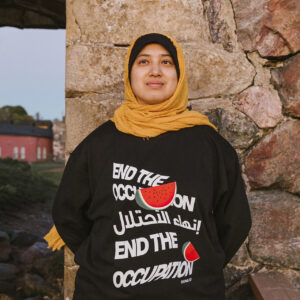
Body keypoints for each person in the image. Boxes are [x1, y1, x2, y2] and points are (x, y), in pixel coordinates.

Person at [44, 33, 251, 300]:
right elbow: (67, 213)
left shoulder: (211, 146)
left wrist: (205, 263)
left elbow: (235, 221)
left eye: (166, 62)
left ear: (179, 74)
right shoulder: (98, 144)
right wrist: (97, 258)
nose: (155, 71)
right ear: (130, 74)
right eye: (143, 62)